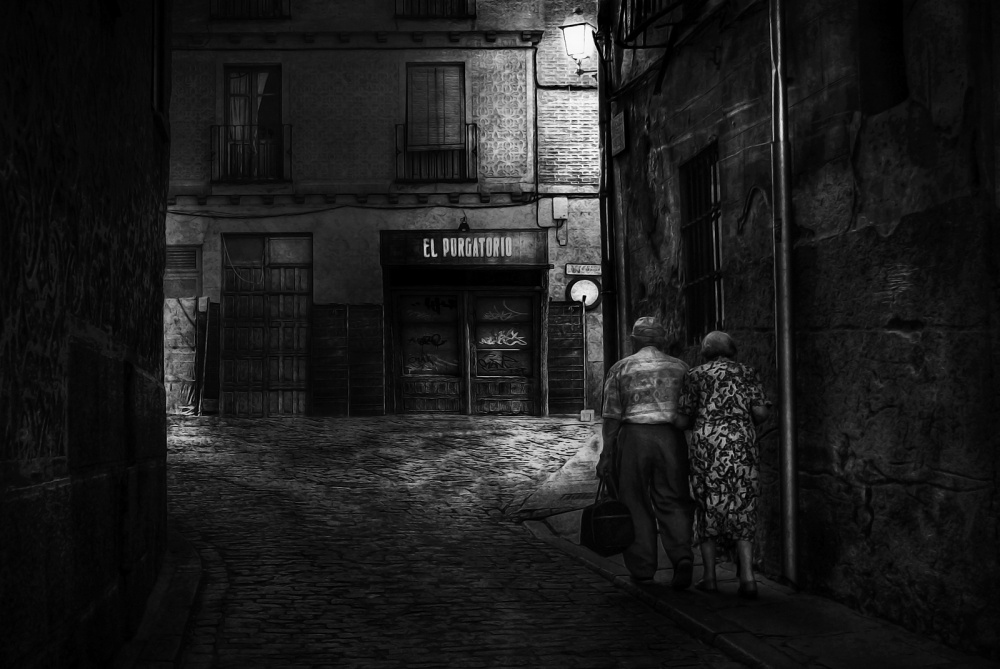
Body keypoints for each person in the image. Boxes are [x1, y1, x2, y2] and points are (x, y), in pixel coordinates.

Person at [596, 317, 695, 589]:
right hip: (670, 438)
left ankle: (642, 567)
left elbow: (612, 416)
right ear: (662, 340)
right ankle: (682, 556)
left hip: (634, 438)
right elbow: (690, 409)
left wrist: (606, 454)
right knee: (674, 497)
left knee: (634, 500)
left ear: (634, 340)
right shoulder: (681, 367)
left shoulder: (621, 368)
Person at [676, 331, 771, 599]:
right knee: (744, 504)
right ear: (732, 349)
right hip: (742, 447)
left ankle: (709, 577)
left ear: (705, 351)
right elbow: (760, 413)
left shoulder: (694, 375)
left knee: (707, 506)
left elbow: (682, 420)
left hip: (708, 449)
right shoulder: (748, 373)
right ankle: (748, 578)